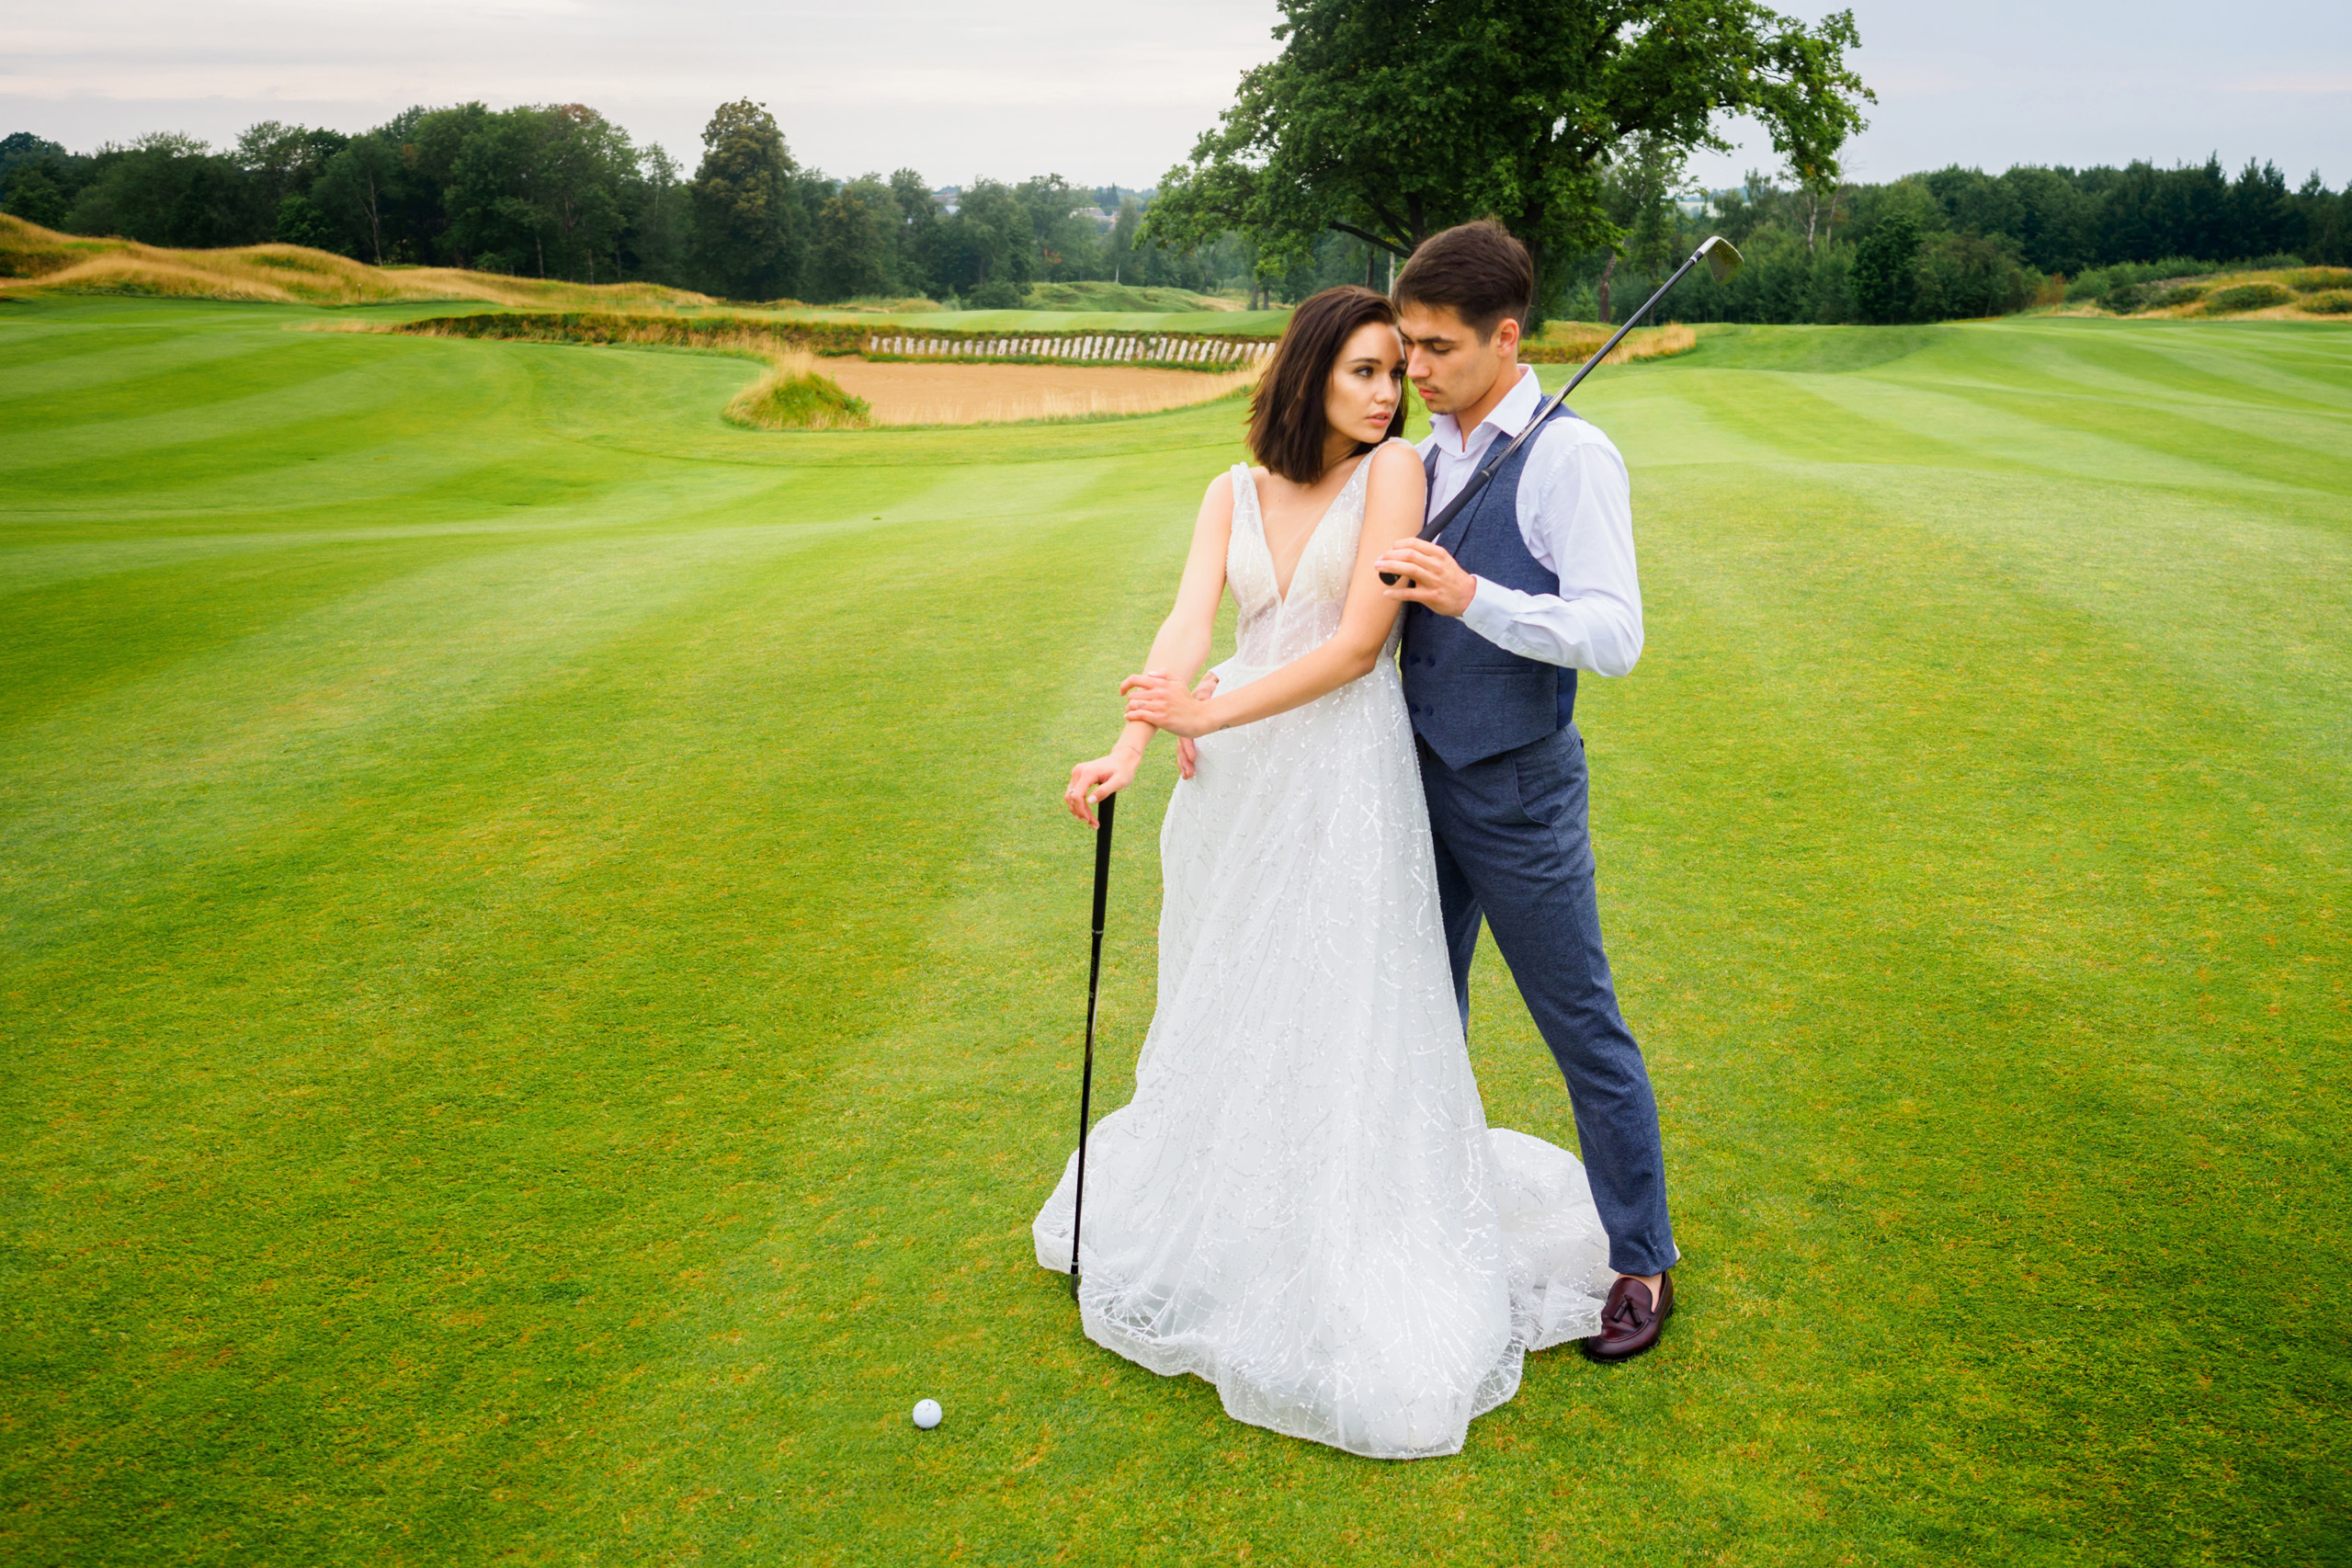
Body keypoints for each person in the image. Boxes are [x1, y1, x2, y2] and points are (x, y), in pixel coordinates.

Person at [1033, 286, 1616, 1462]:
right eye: (1363, 370)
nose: (1387, 392)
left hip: (1345, 777)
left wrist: (1217, 708)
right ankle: (1239, 1220)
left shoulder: (1394, 474)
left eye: (1396, 371)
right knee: (1236, 995)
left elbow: (1357, 650)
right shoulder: (1228, 490)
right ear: (1306, 371)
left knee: (1342, 1000)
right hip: (1234, 784)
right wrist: (1136, 740)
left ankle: (1353, 1233)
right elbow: (1187, 623)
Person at [1372, 221, 1678, 1361]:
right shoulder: (1425, 451)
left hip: (1519, 789)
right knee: (1419, 1008)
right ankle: (1425, 1221)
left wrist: (1474, 598)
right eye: (1408, 345)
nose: (1417, 369)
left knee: (1580, 1023)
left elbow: (1614, 634)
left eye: (1440, 347)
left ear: (1508, 337)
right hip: (1410, 776)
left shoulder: (1568, 456)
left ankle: (1640, 1253)